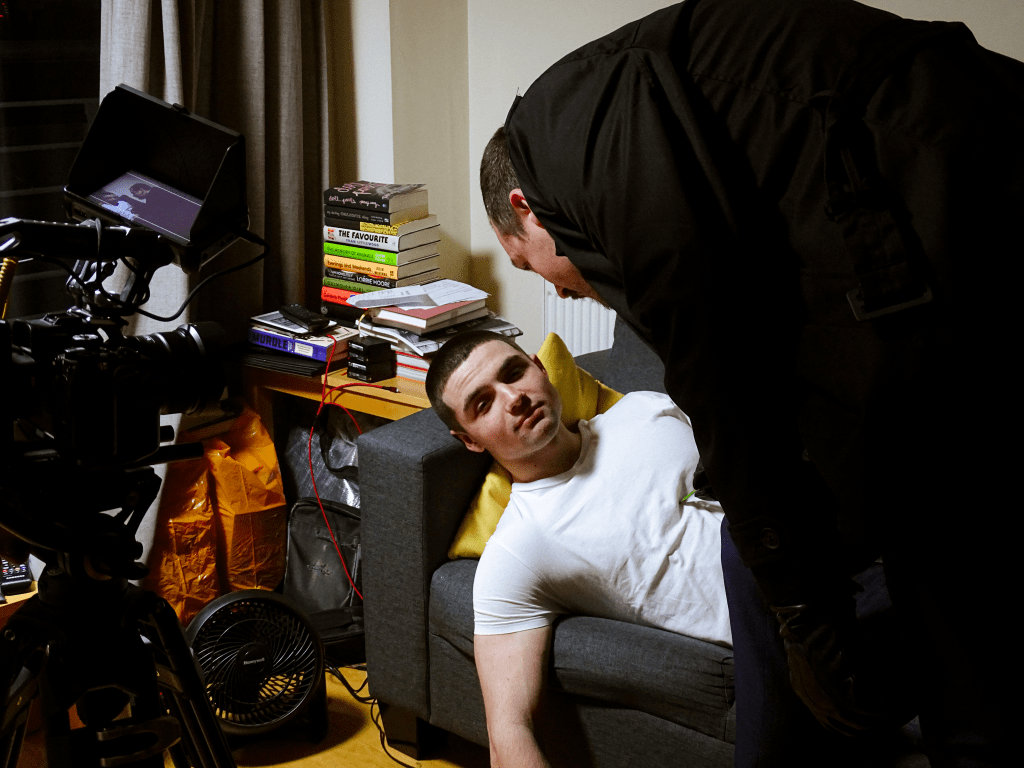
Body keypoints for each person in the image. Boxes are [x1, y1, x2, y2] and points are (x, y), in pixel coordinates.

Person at [479, 0, 1017, 765]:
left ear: (524, 208)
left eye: (535, 268)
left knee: (926, 539)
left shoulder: (588, 146)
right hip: (925, 184)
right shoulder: (596, 115)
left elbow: (714, 356)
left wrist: (799, 606)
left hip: (951, 172)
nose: (562, 293)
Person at [425, 330, 907, 767]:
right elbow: (509, 732)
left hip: (853, 562)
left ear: (538, 365)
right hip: (799, 633)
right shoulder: (516, 551)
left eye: (514, 373)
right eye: (483, 404)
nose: (514, 398)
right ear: (468, 439)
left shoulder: (643, 409)